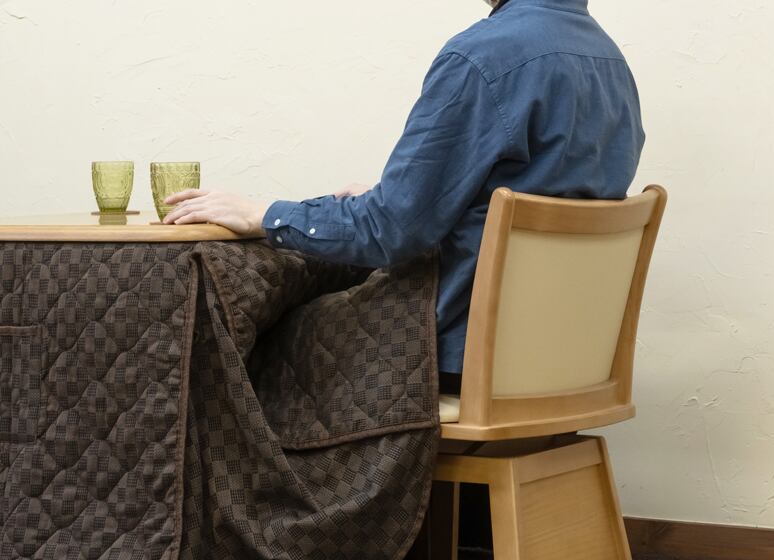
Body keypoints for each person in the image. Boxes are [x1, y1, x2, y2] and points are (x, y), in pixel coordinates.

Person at [164, 0, 645, 390]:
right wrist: (396, 197)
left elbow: (390, 230)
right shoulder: (611, 63)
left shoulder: (483, 56)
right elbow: (523, 195)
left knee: (235, 349)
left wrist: (266, 214)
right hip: (559, 363)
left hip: (459, 357)